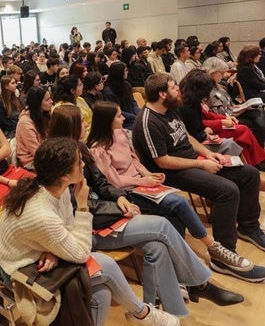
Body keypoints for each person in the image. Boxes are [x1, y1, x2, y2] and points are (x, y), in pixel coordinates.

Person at [48, 105, 244, 316]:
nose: (87, 123)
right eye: (81, 121)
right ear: (71, 126)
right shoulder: (60, 160)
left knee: (157, 247)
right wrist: (117, 204)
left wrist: (120, 197)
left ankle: (160, 309)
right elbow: (78, 206)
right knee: (163, 225)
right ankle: (203, 281)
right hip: (88, 228)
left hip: (105, 211)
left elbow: (101, 182)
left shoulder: (81, 149)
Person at [0, 137, 181, 326]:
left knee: (101, 294)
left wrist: (54, 251)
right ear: (64, 175)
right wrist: (82, 206)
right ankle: (142, 314)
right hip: (20, 272)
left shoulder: (55, 190)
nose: (84, 163)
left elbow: (67, 227)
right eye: (78, 162)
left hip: (38, 256)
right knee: (105, 265)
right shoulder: (42, 212)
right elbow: (81, 253)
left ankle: (143, 314)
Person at [87, 101, 252, 272]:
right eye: (119, 116)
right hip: (126, 192)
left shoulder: (120, 133)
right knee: (178, 203)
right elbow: (115, 182)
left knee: (175, 214)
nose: (123, 118)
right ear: (107, 121)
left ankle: (182, 265)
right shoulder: (98, 149)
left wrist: (147, 174)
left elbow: (134, 161)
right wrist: (143, 182)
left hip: (141, 182)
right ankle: (212, 246)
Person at [132, 72, 265, 282]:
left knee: (249, 174)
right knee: (227, 190)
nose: (179, 90)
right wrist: (201, 163)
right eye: (174, 87)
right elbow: (163, 161)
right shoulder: (148, 121)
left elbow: (187, 136)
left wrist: (208, 153)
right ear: (162, 93)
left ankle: (249, 227)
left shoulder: (170, 109)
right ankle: (222, 255)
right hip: (171, 172)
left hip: (192, 161)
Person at [179, 69, 265, 167]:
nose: (223, 75)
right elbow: (195, 131)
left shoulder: (194, 100)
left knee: (247, 126)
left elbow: (206, 115)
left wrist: (223, 119)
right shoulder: (187, 106)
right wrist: (218, 124)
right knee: (239, 134)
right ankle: (251, 166)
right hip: (202, 136)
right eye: (220, 72)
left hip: (207, 129)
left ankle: (254, 163)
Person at [204, 57, 265, 146]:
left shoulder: (217, 85)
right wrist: (237, 111)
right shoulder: (208, 89)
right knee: (254, 122)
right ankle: (257, 149)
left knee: (257, 113)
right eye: (221, 73)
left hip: (232, 112)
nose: (224, 75)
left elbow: (229, 103)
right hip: (227, 118)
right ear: (212, 73)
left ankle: (259, 146)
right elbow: (219, 114)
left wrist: (240, 107)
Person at [15, 86, 52, 170]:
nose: (51, 102)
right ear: (37, 103)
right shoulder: (25, 123)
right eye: (47, 100)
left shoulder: (44, 114)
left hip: (45, 154)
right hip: (30, 161)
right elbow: (37, 153)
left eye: (50, 98)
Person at [103, 62, 139, 130]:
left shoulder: (127, 84)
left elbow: (133, 101)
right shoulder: (108, 91)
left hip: (133, 116)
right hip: (122, 121)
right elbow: (115, 110)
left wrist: (138, 112)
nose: (127, 72)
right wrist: (134, 116)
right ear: (119, 73)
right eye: (125, 70)